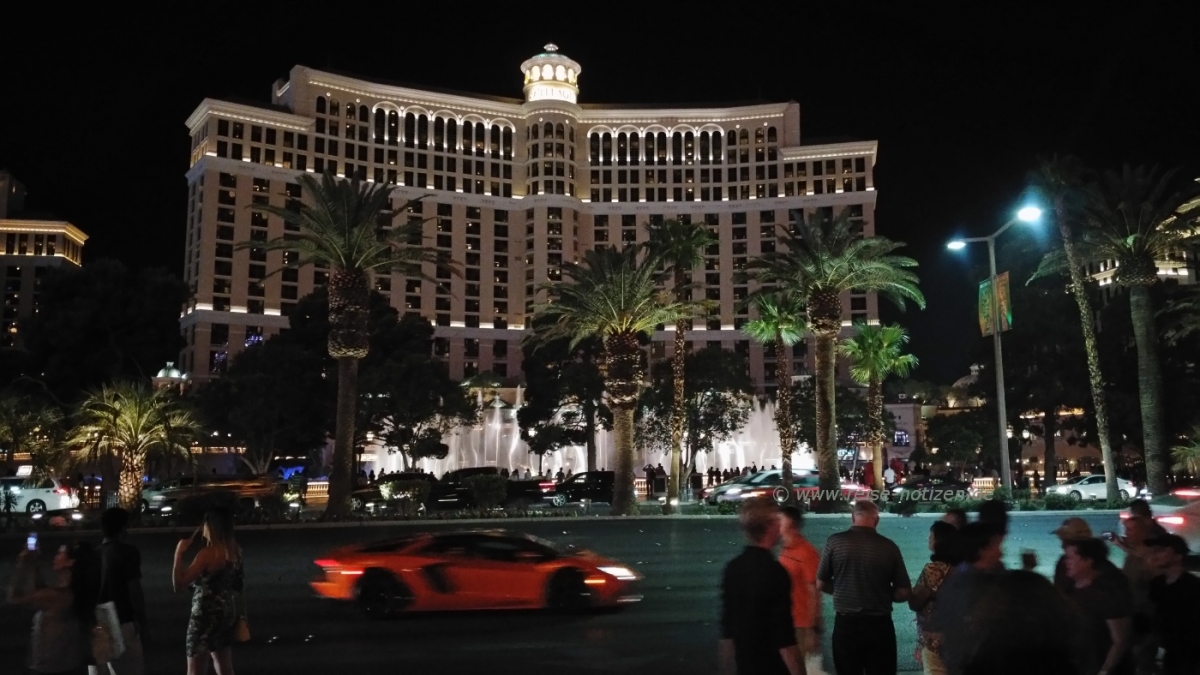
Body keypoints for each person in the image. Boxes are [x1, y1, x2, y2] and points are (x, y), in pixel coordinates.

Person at [817, 500, 911, 675]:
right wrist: (881, 593)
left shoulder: (835, 543)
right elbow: (904, 591)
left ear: (853, 517)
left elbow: (821, 583)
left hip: (846, 626)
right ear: (876, 521)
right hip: (880, 627)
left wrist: (843, 590)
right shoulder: (889, 547)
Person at [719, 498, 802, 675]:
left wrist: (727, 668)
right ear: (770, 525)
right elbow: (783, 636)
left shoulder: (733, 568)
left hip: (745, 665)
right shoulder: (775, 572)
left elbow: (727, 631)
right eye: (778, 520)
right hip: (772, 666)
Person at [173, 507, 245, 675]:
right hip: (225, 612)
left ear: (212, 527)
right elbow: (237, 584)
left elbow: (179, 584)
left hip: (204, 615)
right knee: (224, 665)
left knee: (195, 669)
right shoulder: (235, 551)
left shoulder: (208, 554)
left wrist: (178, 554)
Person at [928, 522, 1007, 675]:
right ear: (982, 549)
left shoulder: (961, 578)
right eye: (996, 547)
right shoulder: (970, 584)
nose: (1000, 553)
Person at [8, 542, 98, 675]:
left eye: (59, 554)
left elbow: (14, 598)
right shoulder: (72, 592)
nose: (55, 557)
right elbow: (39, 591)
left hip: (50, 668)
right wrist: (32, 563)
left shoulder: (58, 596)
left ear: (70, 562)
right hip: (66, 666)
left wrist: (21, 564)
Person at [1061, 538, 1134, 675]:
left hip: (1100, 666)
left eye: (1071, 558)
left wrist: (1105, 670)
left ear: (1088, 561)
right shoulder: (1069, 591)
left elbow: (1120, 640)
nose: (1066, 562)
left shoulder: (1108, 593)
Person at [99, 507, 147, 675]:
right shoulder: (128, 552)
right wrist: (142, 621)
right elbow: (134, 590)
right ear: (123, 528)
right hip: (122, 620)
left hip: (97, 623)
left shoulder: (93, 554)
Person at [1146, 534, 1200, 674]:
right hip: (1170, 650)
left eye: (1161, 550)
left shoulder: (1191, 587)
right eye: (1154, 550)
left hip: (1188, 653)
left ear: (1178, 556)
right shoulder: (1157, 584)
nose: (1155, 554)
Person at [910, 521, 958, 675]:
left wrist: (924, 592)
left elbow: (915, 602)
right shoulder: (962, 569)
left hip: (934, 640)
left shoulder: (931, 570)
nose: (929, 539)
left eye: (932, 536)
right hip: (958, 637)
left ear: (940, 541)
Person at [778, 506, 822, 669]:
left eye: (781, 519)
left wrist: (813, 630)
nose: (777, 523)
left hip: (802, 625)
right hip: (787, 621)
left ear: (792, 524)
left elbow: (814, 592)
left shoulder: (807, 552)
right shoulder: (785, 550)